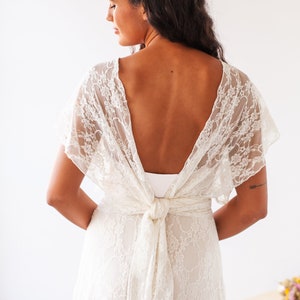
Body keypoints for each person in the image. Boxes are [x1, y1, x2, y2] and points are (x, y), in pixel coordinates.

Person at [47, 0, 279, 299]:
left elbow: (59, 195)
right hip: (192, 262)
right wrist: (189, 233)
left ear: (145, 7)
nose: (108, 15)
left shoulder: (101, 82)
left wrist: (119, 225)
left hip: (113, 258)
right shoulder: (236, 87)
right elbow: (253, 208)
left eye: (114, 4)